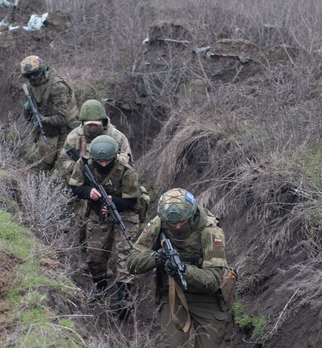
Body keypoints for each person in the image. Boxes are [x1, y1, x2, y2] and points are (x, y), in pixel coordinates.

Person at [128, 188, 235, 348]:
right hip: (172, 293)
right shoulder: (160, 222)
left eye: (181, 222)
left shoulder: (211, 231)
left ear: (191, 216)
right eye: (172, 223)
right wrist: (157, 258)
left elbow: (213, 280)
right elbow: (132, 262)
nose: (176, 226)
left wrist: (184, 270)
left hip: (207, 298)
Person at [68, 135, 141, 316]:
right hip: (97, 211)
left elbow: (132, 200)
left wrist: (112, 201)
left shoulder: (126, 169)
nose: (102, 164)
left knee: (125, 254)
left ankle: (123, 297)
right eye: (99, 161)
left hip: (124, 213)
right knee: (94, 255)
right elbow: (75, 187)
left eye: (107, 160)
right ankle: (100, 286)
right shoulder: (84, 163)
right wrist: (88, 191)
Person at [60, 99, 134, 272]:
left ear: (103, 122)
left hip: (109, 186)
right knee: (82, 221)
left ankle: (105, 262)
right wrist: (78, 168)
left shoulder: (117, 137)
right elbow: (64, 159)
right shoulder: (74, 137)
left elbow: (128, 162)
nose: (92, 128)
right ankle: (83, 256)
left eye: (96, 124)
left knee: (105, 224)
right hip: (83, 185)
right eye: (88, 125)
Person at [19, 55, 80, 171]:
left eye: (35, 74)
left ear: (42, 70)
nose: (32, 78)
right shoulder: (31, 88)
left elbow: (62, 119)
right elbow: (28, 118)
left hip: (66, 130)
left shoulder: (57, 87)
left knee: (62, 169)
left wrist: (42, 120)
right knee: (39, 166)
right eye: (28, 76)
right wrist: (28, 107)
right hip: (48, 130)